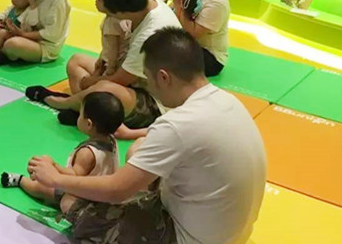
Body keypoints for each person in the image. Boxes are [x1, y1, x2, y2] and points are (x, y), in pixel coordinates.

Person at [27, 28, 267, 244]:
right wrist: (132, 135)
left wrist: (56, 179)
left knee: (72, 203)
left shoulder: (176, 125)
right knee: (138, 148)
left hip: (188, 237)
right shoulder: (227, 101)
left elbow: (116, 190)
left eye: (147, 80)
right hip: (234, 232)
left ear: (163, 77)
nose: (148, 87)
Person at [27, 0, 179, 140]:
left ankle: (63, 102)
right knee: (77, 61)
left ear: (119, 12)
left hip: (155, 101)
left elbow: (120, 80)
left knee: (104, 88)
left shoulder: (150, 34)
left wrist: (93, 81)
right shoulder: (149, 5)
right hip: (136, 79)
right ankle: (86, 111)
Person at [0, 92, 123, 213]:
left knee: (41, 188)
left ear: (88, 124)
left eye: (80, 114)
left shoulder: (87, 153)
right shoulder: (111, 140)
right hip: (103, 194)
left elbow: (74, 176)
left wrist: (53, 166)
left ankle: (20, 180)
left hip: (84, 195)